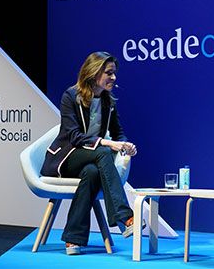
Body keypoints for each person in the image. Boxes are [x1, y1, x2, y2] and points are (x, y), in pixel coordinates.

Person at [40, 51, 141, 255]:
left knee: (92, 173)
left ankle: (72, 238)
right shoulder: (70, 96)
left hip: (91, 159)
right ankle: (124, 217)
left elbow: (118, 132)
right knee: (103, 152)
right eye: (109, 73)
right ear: (94, 73)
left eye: (114, 73)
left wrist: (124, 145)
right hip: (66, 158)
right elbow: (75, 137)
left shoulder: (107, 101)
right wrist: (107, 143)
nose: (114, 77)